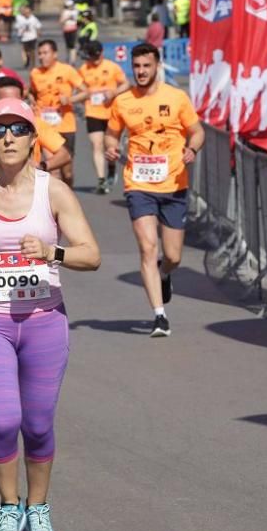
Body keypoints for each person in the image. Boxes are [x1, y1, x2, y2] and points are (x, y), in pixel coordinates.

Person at [0, 97, 101, 531]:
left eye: (17, 129)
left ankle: (39, 508)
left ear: (34, 138)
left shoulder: (54, 193)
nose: (8, 137)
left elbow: (90, 254)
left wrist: (52, 254)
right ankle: (9, 510)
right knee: (2, 419)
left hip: (44, 322)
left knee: (36, 423)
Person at [104, 43, 204, 337]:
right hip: (139, 184)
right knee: (148, 247)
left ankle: (164, 275)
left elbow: (197, 131)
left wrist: (192, 149)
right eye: (136, 66)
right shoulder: (123, 102)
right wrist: (111, 148)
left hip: (173, 183)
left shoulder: (176, 98)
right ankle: (159, 316)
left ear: (157, 66)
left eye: (146, 66)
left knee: (173, 256)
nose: (141, 71)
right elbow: (112, 135)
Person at [0, 76, 72, 182]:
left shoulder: (35, 123)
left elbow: (64, 154)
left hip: (27, 187)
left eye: (20, 129)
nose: (8, 139)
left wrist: (42, 166)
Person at [30, 39, 87, 188]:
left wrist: (69, 99)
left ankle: (69, 194)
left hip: (65, 126)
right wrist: (32, 103)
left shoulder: (67, 70)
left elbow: (85, 92)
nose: (42, 56)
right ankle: (56, 204)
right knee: (54, 171)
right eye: (40, 54)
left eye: (45, 53)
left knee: (67, 173)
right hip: (45, 127)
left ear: (55, 54)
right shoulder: (35, 73)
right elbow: (32, 93)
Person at [78, 40, 129, 194]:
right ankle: (101, 180)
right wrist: (84, 97)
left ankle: (112, 167)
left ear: (101, 53)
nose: (94, 61)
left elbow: (126, 84)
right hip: (93, 112)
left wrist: (113, 92)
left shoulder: (112, 67)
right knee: (97, 145)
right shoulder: (84, 69)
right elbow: (80, 91)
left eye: (96, 57)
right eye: (91, 58)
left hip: (112, 113)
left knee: (111, 147)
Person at [15, 4, 43, 69]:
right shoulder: (21, 19)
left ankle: (33, 64)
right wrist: (20, 32)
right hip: (24, 38)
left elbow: (38, 26)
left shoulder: (33, 19)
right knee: (26, 50)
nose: (27, 14)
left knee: (32, 50)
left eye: (28, 13)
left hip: (32, 37)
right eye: (25, 13)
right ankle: (27, 59)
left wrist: (38, 33)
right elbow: (17, 27)